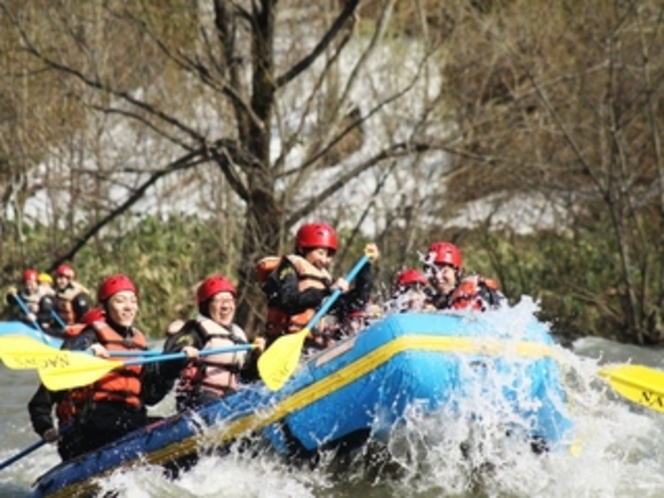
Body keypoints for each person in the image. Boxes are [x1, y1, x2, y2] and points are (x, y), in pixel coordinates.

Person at [28, 274, 170, 460]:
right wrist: (45, 427)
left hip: (128, 418)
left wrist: (172, 369)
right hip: (86, 428)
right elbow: (40, 402)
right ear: (103, 307)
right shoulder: (86, 340)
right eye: (120, 301)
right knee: (116, 423)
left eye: (133, 301)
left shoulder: (139, 346)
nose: (128, 307)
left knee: (163, 426)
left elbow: (151, 397)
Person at [258, 221, 379, 350]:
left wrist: (365, 267)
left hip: (315, 347)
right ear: (302, 249)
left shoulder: (324, 279)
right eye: (321, 253)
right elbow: (289, 301)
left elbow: (355, 303)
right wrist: (327, 292)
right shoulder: (288, 268)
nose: (325, 260)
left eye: (329, 255)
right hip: (285, 343)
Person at [161, 275, 262, 411]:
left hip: (230, 398)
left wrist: (258, 356)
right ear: (206, 306)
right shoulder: (195, 331)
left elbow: (248, 377)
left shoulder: (238, 335)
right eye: (218, 300)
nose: (226, 305)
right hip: (200, 400)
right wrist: (183, 353)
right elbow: (167, 364)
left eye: (229, 300)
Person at [424, 241, 503, 311]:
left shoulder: (472, 292)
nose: (437, 276)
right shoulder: (436, 300)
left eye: (444, 271)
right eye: (433, 271)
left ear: (458, 272)